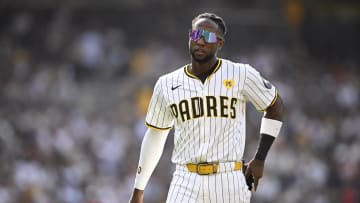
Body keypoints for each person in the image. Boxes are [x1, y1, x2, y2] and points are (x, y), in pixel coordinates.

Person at [129, 12, 284, 203]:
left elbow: (275, 105)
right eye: (196, 35)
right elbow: (156, 134)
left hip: (228, 178)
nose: (200, 41)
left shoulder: (240, 74)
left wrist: (260, 158)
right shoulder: (167, 83)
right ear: (189, 38)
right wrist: (138, 189)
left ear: (220, 43)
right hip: (185, 177)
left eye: (208, 37)